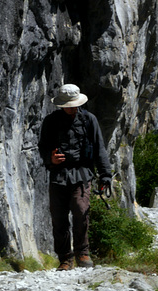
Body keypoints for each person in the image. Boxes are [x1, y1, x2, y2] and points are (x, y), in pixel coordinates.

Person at [39, 84, 112, 270]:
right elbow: (43, 147)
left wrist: (105, 175)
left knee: (81, 211)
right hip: (58, 175)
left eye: (74, 104)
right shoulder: (50, 121)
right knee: (59, 217)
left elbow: (99, 148)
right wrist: (51, 159)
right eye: (68, 105)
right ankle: (65, 258)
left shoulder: (89, 120)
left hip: (82, 174)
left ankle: (82, 253)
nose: (71, 108)